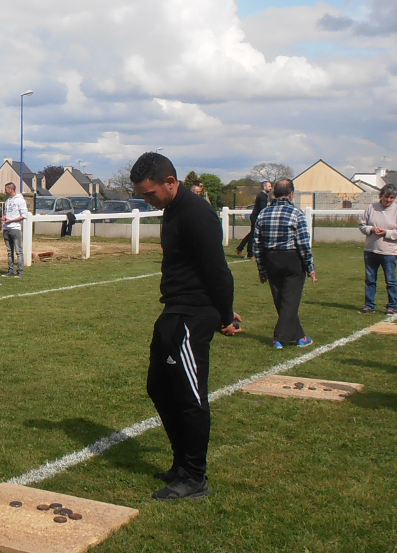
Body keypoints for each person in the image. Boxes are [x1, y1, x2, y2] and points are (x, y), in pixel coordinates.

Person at [130, 152, 241, 501]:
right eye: (142, 195)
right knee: (159, 387)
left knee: (190, 396)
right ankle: (181, 463)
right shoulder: (173, 210)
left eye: (150, 194)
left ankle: (195, 476)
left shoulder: (197, 214)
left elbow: (218, 271)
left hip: (195, 314)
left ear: (170, 182)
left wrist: (225, 315)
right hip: (174, 311)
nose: (147, 201)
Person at [254, 179, 315, 349]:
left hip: (271, 258)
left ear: (274, 194)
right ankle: (279, 337)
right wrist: (310, 267)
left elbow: (257, 244)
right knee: (290, 301)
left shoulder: (264, 213)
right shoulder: (296, 213)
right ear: (291, 194)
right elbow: (303, 243)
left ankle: (300, 336)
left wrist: (261, 268)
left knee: (281, 299)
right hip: (291, 259)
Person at [358, 184, 397, 314]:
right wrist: (371, 229)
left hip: (389, 252)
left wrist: (386, 233)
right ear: (381, 196)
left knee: (391, 280)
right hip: (371, 250)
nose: (389, 201)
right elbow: (362, 225)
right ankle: (369, 305)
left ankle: (392, 306)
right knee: (370, 280)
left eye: (392, 198)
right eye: (387, 198)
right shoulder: (371, 208)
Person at [236, 181, 271, 258]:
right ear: (264, 187)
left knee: (251, 234)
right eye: (269, 186)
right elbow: (263, 209)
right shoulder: (262, 196)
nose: (270, 188)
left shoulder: (263, 196)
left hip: (256, 216)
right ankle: (250, 254)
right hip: (256, 217)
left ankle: (240, 248)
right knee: (253, 235)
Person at [1, 181, 28, 277]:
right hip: (6, 228)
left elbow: (24, 215)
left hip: (15, 228)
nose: (5, 191)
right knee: (9, 251)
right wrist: (4, 217)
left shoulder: (20, 200)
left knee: (18, 251)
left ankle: (20, 271)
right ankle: (10, 270)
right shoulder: (8, 201)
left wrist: (12, 220)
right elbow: (6, 212)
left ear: (11, 189)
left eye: (6, 189)